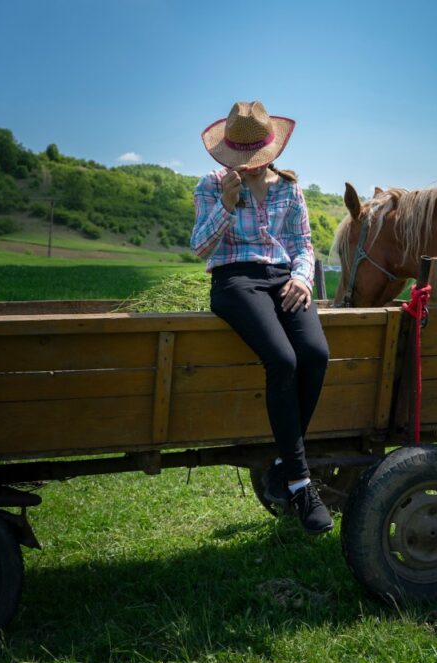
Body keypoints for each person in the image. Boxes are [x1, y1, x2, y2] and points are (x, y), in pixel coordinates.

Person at [191, 101, 332, 534]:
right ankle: (301, 483)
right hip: (235, 281)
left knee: (314, 354)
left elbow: (304, 245)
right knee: (282, 360)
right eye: (241, 160)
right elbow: (199, 248)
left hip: (283, 279)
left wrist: (304, 280)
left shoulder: (290, 189)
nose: (249, 167)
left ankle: (279, 465)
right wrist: (227, 206)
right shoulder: (212, 185)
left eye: (256, 160)